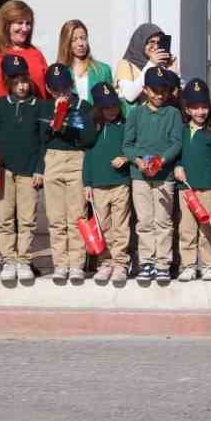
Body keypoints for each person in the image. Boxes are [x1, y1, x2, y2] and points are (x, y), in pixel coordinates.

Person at [0, 55, 45, 283]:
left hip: (29, 171)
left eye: (25, 80)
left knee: (27, 219)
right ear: (7, 82)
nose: (22, 86)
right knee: (5, 218)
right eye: (16, 81)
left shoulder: (38, 105)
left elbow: (42, 141)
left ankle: (24, 260)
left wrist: (40, 168)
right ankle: (8, 259)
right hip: (4, 170)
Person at [123, 68, 184, 284]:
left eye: (163, 91)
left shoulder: (173, 114)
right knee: (145, 220)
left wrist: (162, 161)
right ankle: (146, 262)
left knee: (164, 220)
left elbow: (177, 142)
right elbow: (127, 145)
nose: (159, 95)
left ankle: (162, 263)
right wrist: (138, 160)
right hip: (140, 176)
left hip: (164, 176)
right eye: (155, 90)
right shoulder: (135, 114)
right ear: (145, 90)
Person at [40, 63, 97, 283]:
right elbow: (41, 139)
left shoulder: (83, 106)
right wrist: (54, 119)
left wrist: (68, 124)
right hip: (53, 159)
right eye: (55, 89)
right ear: (48, 88)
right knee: (56, 218)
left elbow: (89, 139)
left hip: (76, 159)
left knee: (77, 216)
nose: (61, 93)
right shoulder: (45, 106)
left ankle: (76, 264)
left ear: (71, 84)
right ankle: (60, 264)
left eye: (64, 87)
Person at [81, 83, 132, 286]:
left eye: (114, 105)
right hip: (98, 185)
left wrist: (125, 157)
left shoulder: (126, 125)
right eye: (106, 107)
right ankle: (105, 262)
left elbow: (132, 146)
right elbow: (88, 156)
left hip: (120, 183)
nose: (111, 110)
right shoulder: (92, 128)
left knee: (121, 224)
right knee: (103, 225)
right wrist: (87, 184)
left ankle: (121, 262)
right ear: (98, 108)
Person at [175, 78, 211, 282]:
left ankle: (209, 264)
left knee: (206, 228)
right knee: (186, 228)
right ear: (187, 110)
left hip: (207, 188)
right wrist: (177, 166)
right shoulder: (182, 131)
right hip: (185, 188)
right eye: (195, 107)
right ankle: (188, 265)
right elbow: (175, 153)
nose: (200, 112)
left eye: (204, 107)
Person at [0, 0, 49, 99]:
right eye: (19, 23)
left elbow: (49, 91)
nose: (25, 28)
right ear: (5, 24)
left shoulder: (36, 54)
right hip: (2, 113)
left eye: (28, 23)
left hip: (36, 113)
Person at [56, 20, 113, 106]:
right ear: (66, 43)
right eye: (74, 40)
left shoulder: (103, 70)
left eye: (83, 38)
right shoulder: (59, 72)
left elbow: (111, 104)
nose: (80, 43)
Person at [113, 23, 166, 110]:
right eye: (151, 42)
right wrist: (151, 64)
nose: (156, 47)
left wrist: (172, 70)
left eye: (158, 43)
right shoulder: (125, 64)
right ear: (140, 42)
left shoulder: (160, 65)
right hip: (136, 119)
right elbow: (130, 95)